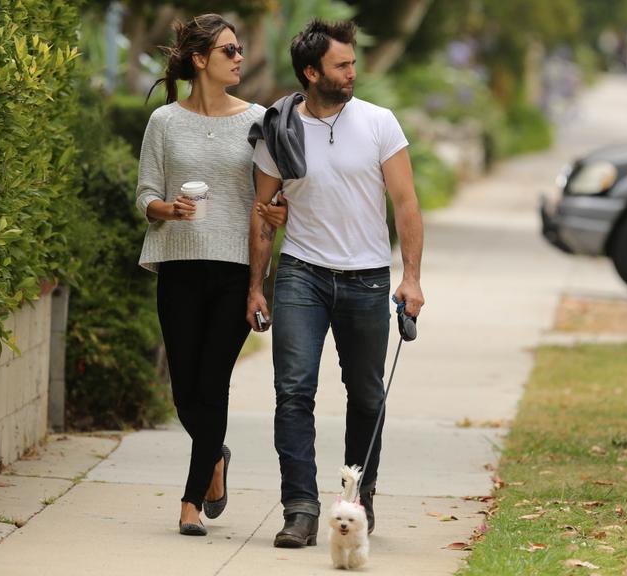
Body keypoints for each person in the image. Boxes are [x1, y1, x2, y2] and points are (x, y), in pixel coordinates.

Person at [246, 19, 424, 548]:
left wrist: (411, 277)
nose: (352, 72)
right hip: (301, 273)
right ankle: (299, 508)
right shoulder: (279, 128)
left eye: (352, 62)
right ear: (311, 72)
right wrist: (257, 286)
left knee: (366, 395)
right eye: (341, 65)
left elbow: (407, 204)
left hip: (368, 278)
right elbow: (262, 214)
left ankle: (357, 498)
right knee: (293, 392)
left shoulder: (378, 123)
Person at [135, 13, 286, 537]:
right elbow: (144, 196)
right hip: (177, 263)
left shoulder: (260, 120)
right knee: (184, 390)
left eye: (239, 49)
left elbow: (268, 202)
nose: (240, 58)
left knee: (213, 382)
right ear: (200, 60)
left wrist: (257, 284)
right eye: (228, 51)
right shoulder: (164, 122)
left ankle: (190, 500)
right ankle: (214, 456)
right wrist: (166, 209)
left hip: (234, 269)